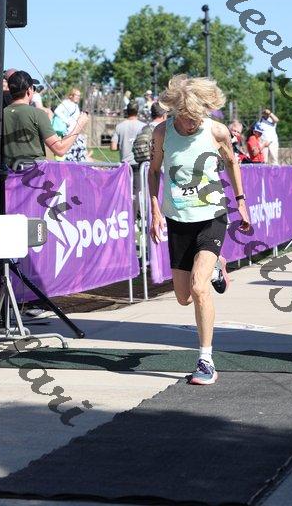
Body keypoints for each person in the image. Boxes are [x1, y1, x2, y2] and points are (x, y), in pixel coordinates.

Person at [148, 75, 250, 385]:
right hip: (178, 218)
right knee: (183, 297)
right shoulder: (162, 132)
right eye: (188, 118)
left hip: (212, 216)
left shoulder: (217, 131)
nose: (193, 124)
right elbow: (154, 172)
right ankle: (216, 266)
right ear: (177, 111)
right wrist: (155, 210)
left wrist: (241, 201)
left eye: (198, 118)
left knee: (198, 286)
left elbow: (232, 163)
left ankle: (206, 360)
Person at [3, 71, 88, 168]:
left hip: (8, 174)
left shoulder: (1, 113)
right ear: (29, 90)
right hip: (33, 174)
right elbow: (60, 150)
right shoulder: (37, 114)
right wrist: (79, 124)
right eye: (33, 88)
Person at [111, 102, 145, 216]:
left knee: (125, 191)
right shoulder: (143, 126)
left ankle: (125, 214)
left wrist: (123, 145)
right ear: (137, 111)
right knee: (137, 191)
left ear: (127, 111)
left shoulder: (120, 126)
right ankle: (134, 217)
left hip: (125, 164)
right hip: (139, 163)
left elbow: (113, 147)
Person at [53, 88, 92, 162]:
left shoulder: (75, 105)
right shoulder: (66, 102)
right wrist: (67, 121)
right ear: (71, 95)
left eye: (79, 96)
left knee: (79, 150)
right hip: (69, 132)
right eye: (76, 95)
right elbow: (57, 111)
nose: (78, 97)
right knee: (71, 152)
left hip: (75, 132)